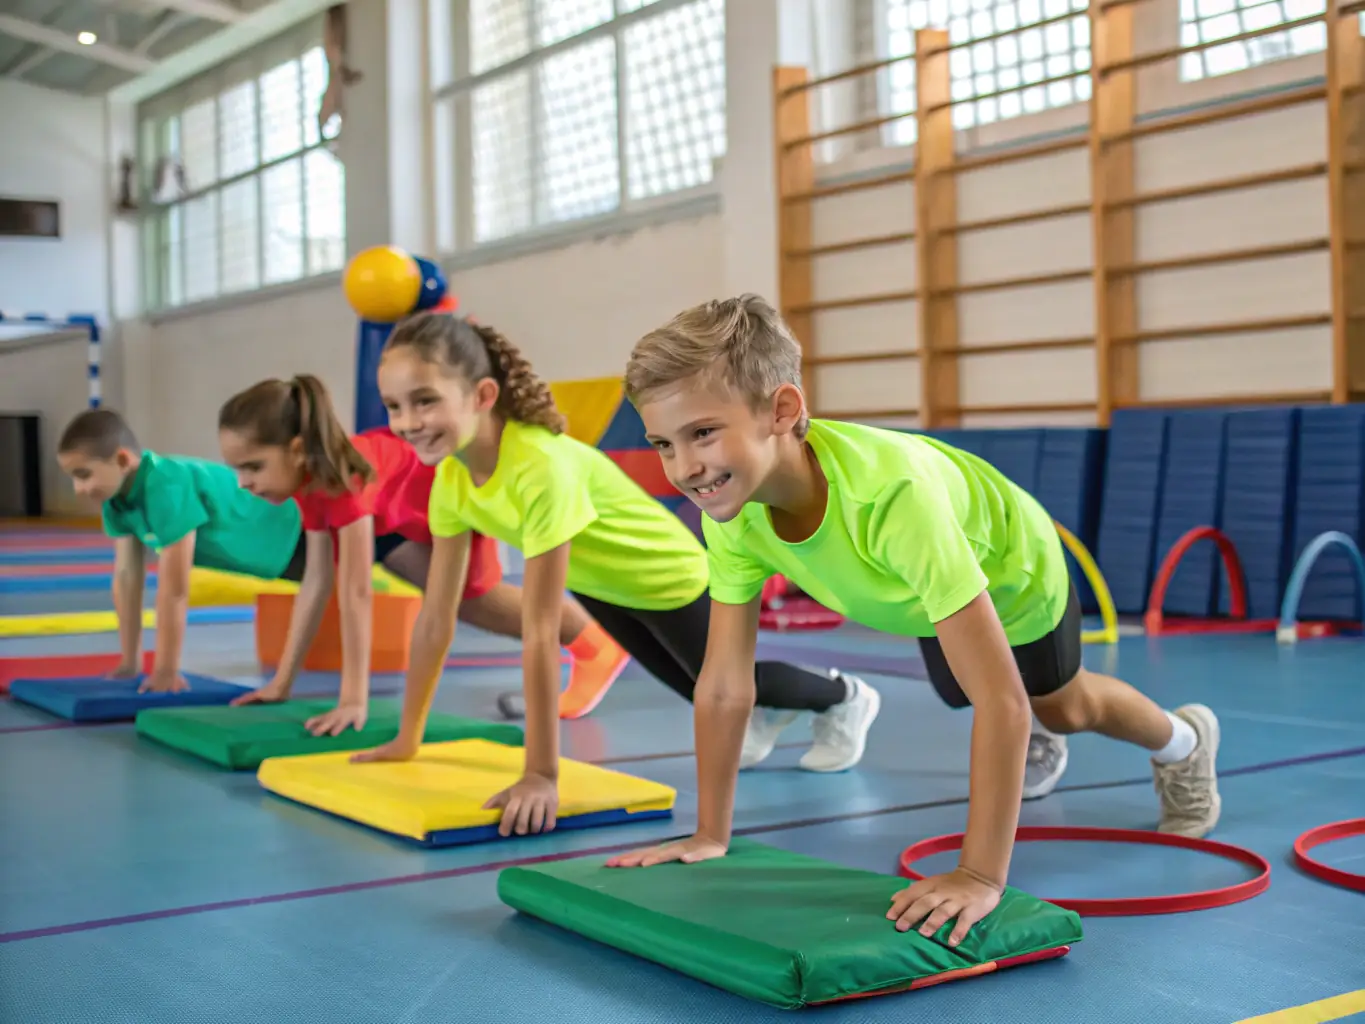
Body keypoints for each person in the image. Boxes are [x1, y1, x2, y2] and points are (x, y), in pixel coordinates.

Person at [607, 293, 1221, 946]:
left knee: (1054, 706)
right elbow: (726, 685)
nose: (684, 469)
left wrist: (979, 875)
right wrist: (710, 833)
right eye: (662, 444)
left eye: (702, 433)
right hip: (913, 591)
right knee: (973, 697)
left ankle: (1184, 742)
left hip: (1009, 574)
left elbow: (1001, 701)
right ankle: (1044, 740)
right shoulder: (731, 507)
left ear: (781, 411)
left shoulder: (891, 497)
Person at [351, 311, 880, 836]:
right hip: (604, 588)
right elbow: (436, 616)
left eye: (425, 401)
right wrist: (407, 738)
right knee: (692, 688)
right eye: (394, 406)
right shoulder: (453, 479)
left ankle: (846, 697)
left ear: (483, 396)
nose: (406, 423)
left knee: (724, 684)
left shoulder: (538, 467)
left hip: (668, 576)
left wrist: (540, 774)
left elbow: (540, 634)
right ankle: (768, 713)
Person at [216, 374, 630, 736]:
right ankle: (591, 644)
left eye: (253, 467)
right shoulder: (311, 484)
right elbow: (318, 582)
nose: (243, 483)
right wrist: (281, 683)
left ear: (296, 450)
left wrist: (353, 700)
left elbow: (356, 594)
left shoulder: (347, 483)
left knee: (475, 601)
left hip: (450, 493)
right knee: (455, 599)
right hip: (401, 518)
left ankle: (595, 647)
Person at [56, 408, 305, 695]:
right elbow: (126, 579)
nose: (78, 489)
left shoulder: (166, 483)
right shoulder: (116, 502)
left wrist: (166, 670)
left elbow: (174, 587)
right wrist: (131, 661)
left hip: (292, 530)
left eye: (83, 475)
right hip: (270, 554)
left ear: (122, 459)